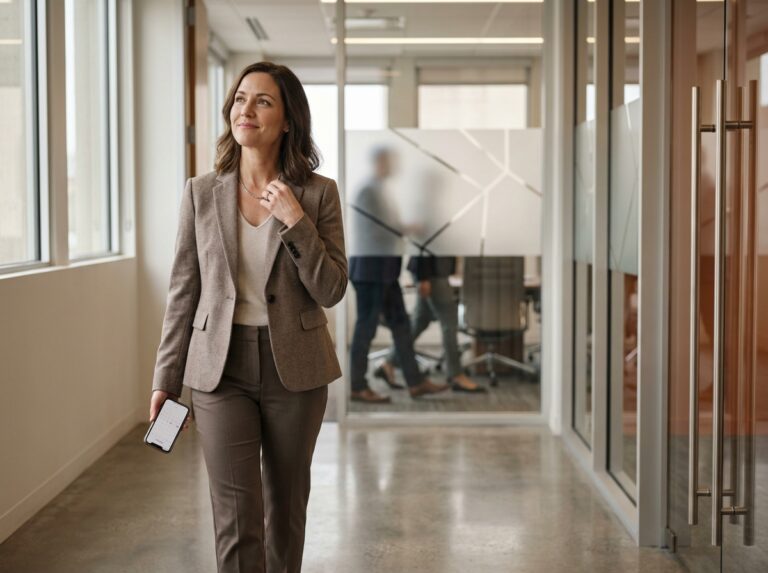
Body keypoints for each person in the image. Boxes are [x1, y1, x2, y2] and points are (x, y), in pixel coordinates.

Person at [148, 61, 347, 573]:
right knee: (236, 515)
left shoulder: (318, 193)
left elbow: (331, 290)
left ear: (286, 121)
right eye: (240, 98)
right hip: (221, 368)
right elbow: (183, 292)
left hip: (296, 370)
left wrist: (296, 222)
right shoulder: (201, 192)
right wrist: (165, 379)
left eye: (263, 101)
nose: (247, 109)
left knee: (285, 510)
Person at [348, 147, 449, 403]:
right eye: (391, 161)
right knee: (366, 328)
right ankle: (357, 386)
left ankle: (415, 383)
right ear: (379, 161)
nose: (395, 166)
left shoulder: (381, 189)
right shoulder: (368, 190)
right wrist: (409, 227)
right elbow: (378, 230)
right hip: (371, 271)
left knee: (401, 325)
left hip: (385, 270)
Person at [378, 254, 487, 393]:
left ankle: (388, 363)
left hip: (430, 272)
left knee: (420, 320)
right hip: (432, 273)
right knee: (449, 323)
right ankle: (456, 375)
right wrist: (423, 278)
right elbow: (422, 245)